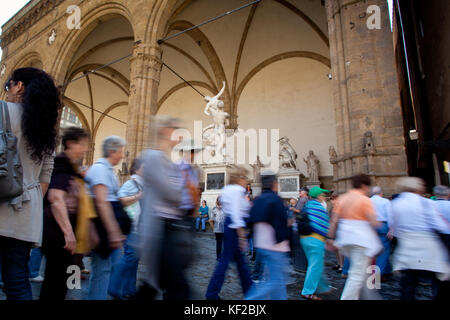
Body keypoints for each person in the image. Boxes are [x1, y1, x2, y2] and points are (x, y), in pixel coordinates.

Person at [0, 67, 60, 300]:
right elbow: (46, 176)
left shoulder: (3, 110)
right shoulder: (46, 129)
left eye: (8, 86)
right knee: (17, 282)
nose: (6, 92)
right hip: (26, 213)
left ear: (20, 86)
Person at [137, 116, 192, 300]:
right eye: (175, 129)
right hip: (158, 231)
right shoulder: (152, 157)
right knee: (178, 288)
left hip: (170, 230)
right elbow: (172, 193)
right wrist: (183, 192)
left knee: (158, 287)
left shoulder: (170, 161)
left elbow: (181, 194)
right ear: (165, 131)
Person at [40, 127, 95, 300]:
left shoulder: (72, 168)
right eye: (83, 144)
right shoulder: (62, 164)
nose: (86, 149)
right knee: (55, 282)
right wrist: (68, 233)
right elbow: (56, 198)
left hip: (70, 238)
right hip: (60, 237)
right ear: (70, 143)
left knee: (66, 280)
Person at [390, 177, 450, 300]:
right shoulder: (426, 202)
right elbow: (440, 225)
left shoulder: (396, 204)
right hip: (427, 246)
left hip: (407, 246)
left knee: (408, 283)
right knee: (440, 277)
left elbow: (394, 228)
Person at [327, 174, 382, 300]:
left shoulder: (342, 199)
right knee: (357, 274)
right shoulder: (364, 200)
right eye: (367, 186)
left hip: (345, 238)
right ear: (363, 186)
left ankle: (370, 295)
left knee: (360, 270)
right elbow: (373, 221)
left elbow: (334, 220)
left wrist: (330, 237)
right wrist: (379, 224)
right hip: (360, 239)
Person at [85, 136, 127, 300]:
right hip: (102, 229)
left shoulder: (108, 170)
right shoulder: (100, 169)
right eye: (120, 152)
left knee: (109, 268)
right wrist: (114, 231)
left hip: (108, 229)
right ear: (112, 151)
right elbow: (102, 203)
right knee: (102, 270)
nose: (122, 155)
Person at [205, 167, 253, 300]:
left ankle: (249, 291)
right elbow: (236, 213)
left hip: (229, 225)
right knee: (226, 263)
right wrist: (242, 235)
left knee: (240, 263)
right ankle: (212, 293)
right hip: (234, 226)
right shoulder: (237, 190)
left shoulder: (227, 190)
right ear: (240, 179)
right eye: (245, 179)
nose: (246, 182)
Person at [245, 171, 290, 300]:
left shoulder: (258, 199)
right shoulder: (276, 199)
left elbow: (250, 220)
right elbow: (281, 222)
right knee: (276, 281)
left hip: (261, 244)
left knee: (278, 281)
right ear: (274, 184)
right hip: (275, 245)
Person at [108, 158, 144, 300]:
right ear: (137, 169)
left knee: (134, 259)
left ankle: (129, 290)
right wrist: (138, 196)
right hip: (132, 226)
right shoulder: (131, 183)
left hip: (139, 228)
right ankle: (114, 285)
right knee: (130, 257)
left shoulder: (142, 184)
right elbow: (120, 199)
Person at [300, 187, 334, 300]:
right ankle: (307, 291)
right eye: (323, 195)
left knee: (315, 264)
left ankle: (323, 287)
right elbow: (324, 224)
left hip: (305, 238)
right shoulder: (319, 207)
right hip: (315, 239)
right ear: (319, 196)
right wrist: (329, 238)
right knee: (315, 265)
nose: (324, 196)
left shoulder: (307, 206)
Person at [370, 186, 393, 278]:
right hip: (383, 225)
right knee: (384, 250)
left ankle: (387, 270)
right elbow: (390, 215)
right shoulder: (385, 201)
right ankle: (377, 275)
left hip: (371, 225)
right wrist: (391, 229)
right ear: (381, 193)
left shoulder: (368, 201)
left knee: (374, 248)